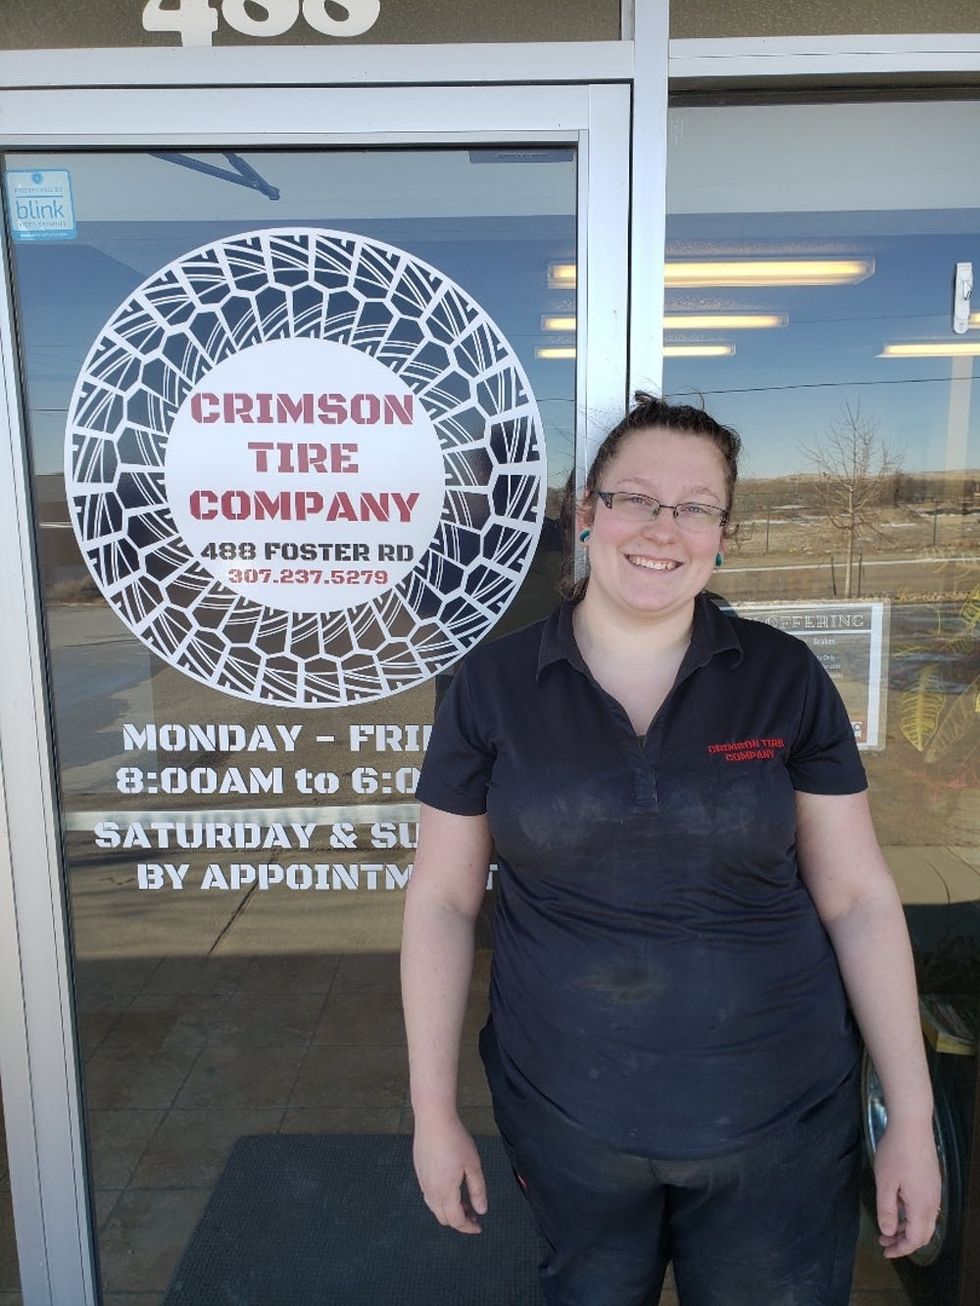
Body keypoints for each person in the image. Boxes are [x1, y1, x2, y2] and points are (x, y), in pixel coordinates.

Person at [400, 393, 941, 1306]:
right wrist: (431, 1112)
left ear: (723, 533)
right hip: (568, 1123)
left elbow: (858, 900)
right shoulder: (492, 687)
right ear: (587, 513)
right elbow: (443, 902)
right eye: (636, 498)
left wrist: (913, 1116)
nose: (665, 528)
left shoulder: (783, 678)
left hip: (784, 1126)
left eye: (697, 506)